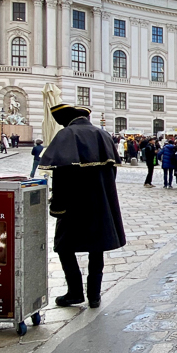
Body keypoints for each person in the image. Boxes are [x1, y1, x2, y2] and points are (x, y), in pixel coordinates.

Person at [38, 103, 125, 309]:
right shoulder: (103, 135)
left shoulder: (67, 135)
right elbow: (112, 173)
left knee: (63, 247)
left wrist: (57, 207)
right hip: (101, 204)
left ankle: (75, 291)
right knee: (97, 250)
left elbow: (61, 175)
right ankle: (94, 295)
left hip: (74, 205)